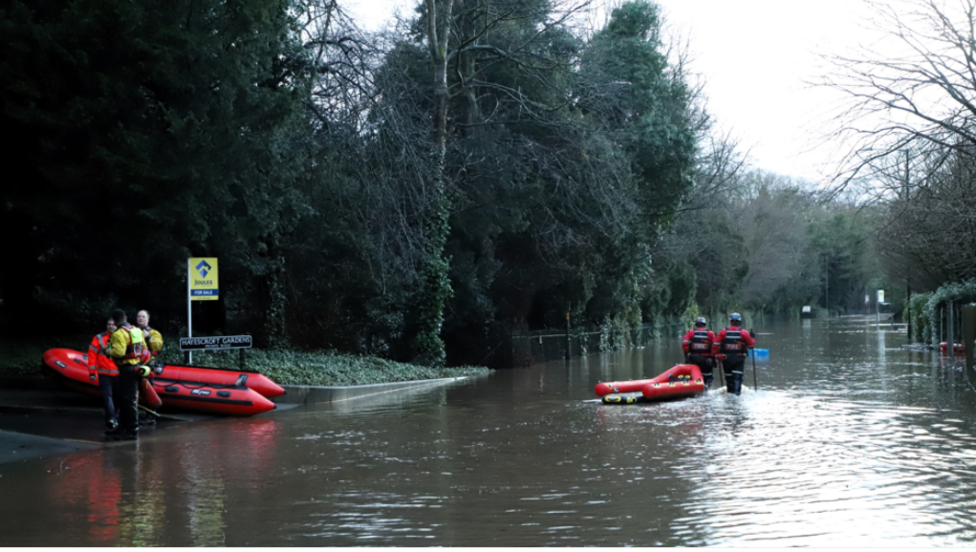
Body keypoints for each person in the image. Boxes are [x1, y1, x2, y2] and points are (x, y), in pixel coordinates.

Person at [108, 309, 152, 440]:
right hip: (137, 367)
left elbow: (119, 353)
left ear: (115, 322)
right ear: (125, 317)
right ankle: (124, 428)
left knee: (127, 401)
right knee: (127, 400)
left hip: (126, 369)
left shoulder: (118, 334)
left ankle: (132, 430)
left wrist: (108, 351)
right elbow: (144, 348)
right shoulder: (137, 331)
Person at [88, 317, 120, 432]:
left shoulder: (121, 337)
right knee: (107, 397)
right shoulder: (99, 338)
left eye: (113, 324)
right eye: (109, 324)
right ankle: (111, 419)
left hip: (118, 374)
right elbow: (92, 355)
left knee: (117, 399)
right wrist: (92, 372)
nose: (111, 326)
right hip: (104, 373)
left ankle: (114, 420)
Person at [712, 313, 755, 396]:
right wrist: (752, 337)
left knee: (729, 379)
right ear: (739, 322)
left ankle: (730, 395)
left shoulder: (723, 332)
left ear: (730, 322)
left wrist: (716, 356)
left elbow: (715, 345)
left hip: (726, 359)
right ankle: (736, 396)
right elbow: (751, 346)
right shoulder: (744, 333)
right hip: (739, 359)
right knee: (737, 378)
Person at [682, 317, 716, 389]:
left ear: (696, 324)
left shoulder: (691, 332)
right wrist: (712, 358)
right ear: (704, 324)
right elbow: (715, 347)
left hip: (693, 359)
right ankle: (705, 389)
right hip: (706, 361)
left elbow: (685, 344)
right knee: (708, 378)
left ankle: (693, 389)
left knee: (691, 377)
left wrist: (686, 357)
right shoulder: (710, 333)